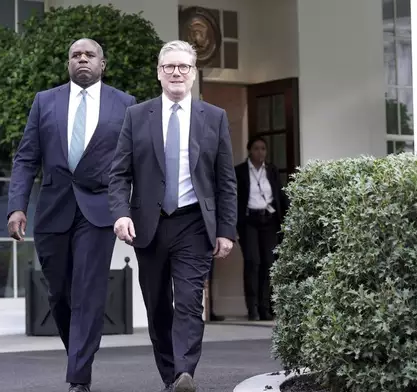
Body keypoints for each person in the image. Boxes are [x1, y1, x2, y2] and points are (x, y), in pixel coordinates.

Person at [7, 38, 136, 392]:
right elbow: (26, 158)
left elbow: (131, 163)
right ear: (68, 63)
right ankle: (78, 355)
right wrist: (17, 205)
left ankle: (79, 377)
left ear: (102, 64)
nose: (82, 59)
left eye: (89, 55)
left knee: (88, 293)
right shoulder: (44, 102)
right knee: (59, 295)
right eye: (75, 55)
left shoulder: (124, 104)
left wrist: (128, 210)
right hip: (53, 210)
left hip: (98, 212)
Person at [108, 40, 237, 392]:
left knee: (190, 299)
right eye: (169, 67)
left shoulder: (214, 117)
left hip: (194, 223)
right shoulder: (137, 116)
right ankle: (171, 376)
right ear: (159, 73)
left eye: (183, 67)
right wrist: (120, 213)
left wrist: (226, 230)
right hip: (148, 225)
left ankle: (185, 372)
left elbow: (225, 179)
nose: (176, 72)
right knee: (157, 304)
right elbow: (119, 173)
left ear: (193, 74)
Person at [235, 136, 289, 321]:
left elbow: (280, 195)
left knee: (269, 263)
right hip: (249, 220)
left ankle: (266, 307)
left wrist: (288, 218)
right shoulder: (240, 171)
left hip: (269, 220)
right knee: (253, 262)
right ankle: (253, 308)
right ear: (250, 150)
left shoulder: (272, 170)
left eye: (263, 148)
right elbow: (233, 199)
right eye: (257, 148)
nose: (260, 152)